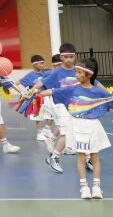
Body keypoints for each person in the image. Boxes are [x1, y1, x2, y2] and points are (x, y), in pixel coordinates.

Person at [40, 58, 113, 199]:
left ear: (88, 75)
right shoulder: (72, 89)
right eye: (76, 71)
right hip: (77, 126)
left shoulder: (97, 91)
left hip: (93, 126)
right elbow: (52, 91)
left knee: (94, 157)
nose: (76, 75)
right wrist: (34, 94)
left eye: (79, 72)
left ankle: (96, 187)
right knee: (81, 157)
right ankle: (84, 187)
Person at [32, 44, 80, 173]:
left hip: (76, 105)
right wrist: (30, 92)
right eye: (66, 57)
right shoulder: (56, 72)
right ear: (61, 57)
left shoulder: (78, 70)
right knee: (67, 132)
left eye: (71, 57)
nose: (69, 59)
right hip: (61, 105)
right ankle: (54, 157)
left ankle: (86, 158)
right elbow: (41, 83)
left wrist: (109, 94)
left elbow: (92, 82)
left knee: (79, 130)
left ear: (75, 56)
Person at [17, 55, 52, 142]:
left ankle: (47, 129)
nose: (43, 65)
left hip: (47, 97)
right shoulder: (29, 75)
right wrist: (22, 93)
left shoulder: (46, 73)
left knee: (52, 114)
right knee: (38, 117)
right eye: (41, 63)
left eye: (43, 63)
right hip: (37, 99)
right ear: (34, 64)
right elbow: (17, 83)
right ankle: (39, 134)